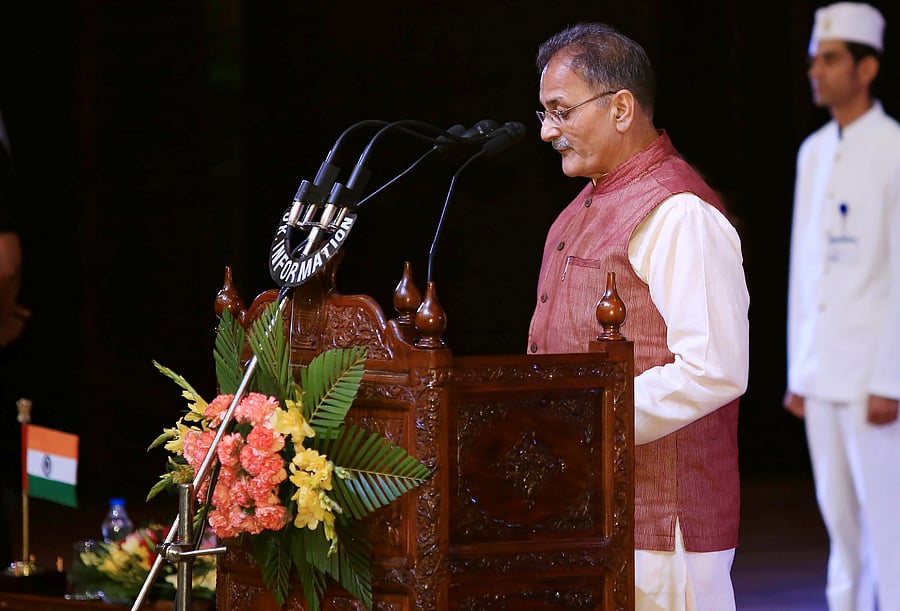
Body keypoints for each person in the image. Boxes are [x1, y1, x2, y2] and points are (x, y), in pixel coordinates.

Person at [528, 22, 750, 610]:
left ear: (621, 108)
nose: (547, 131)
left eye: (561, 111)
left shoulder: (679, 212)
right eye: (544, 113)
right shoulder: (583, 205)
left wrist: (585, 418)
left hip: (659, 527)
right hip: (588, 509)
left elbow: (713, 368)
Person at [783, 3, 900, 609]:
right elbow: (804, 268)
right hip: (822, 368)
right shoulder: (812, 151)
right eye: (813, 60)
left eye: (829, 59)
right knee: (840, 526)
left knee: (889, 525)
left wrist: (890, 379)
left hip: (872, 374)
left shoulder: (894, 147)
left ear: (866, 68)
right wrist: (797, 370)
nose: (816, 71)